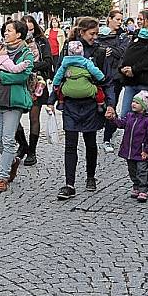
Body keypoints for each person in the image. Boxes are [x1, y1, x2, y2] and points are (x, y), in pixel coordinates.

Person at [47, 17, 116, 199]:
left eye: (96, 34)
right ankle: (69, 184)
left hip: (91, 104)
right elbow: (59, 76)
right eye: (92, 34)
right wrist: (51, 100)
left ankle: (90, 175)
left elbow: (107, 80)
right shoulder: (68, 51)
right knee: (70, 144)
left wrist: (111, 104)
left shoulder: (99, 53)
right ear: (82, 32)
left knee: (90, 142)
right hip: (70, 104)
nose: (95, 37)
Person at [0, 19, 34, 193]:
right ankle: (12, 160)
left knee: (7, 139)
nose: (5, 33)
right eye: (5, 30)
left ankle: (3, 177)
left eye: (9, 30)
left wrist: (1, 77)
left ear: (19, 34)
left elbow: (23, 76)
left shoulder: (26, 53)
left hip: (14, 100)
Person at [15, 15, 53, 167]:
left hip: (37, 82)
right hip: (19, 82)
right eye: (25, 27)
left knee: (34, 117)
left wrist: (30, 66)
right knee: (14, 117)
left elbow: (48, 62)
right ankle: (23, 144)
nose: (28, 29)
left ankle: (32, 151)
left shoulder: (42, 41)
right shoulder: (16, 43)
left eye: (30, 26)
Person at [111, 90, 148, 202]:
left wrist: (147, 150)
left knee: (141, 170)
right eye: (133, 101)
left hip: (141, 151)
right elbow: (121, 124)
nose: (133, 104)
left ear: (144, 106)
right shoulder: (130, 116)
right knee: (132, 170)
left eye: (137, 103)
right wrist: (113, 119)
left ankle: (143, 190)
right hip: (129, 151)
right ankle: (136, 185)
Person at [118, 10, 148, 116]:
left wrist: (134, 69)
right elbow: (126, 54)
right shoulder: (135, 36)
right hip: (131, 81)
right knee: (125, 115)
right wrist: (122, 67)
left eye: (141, 19)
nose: (138, 21)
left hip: (147, 81)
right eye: (137, 19)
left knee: (144, 118)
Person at [98, 9, 130, 152]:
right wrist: (104, 50)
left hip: (115, 77)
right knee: (100, 106)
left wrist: (107, 49)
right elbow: (96, 50)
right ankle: (111, 126)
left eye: (121, 20)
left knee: (111, 105)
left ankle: (107, 138)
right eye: (117, 19)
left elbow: (122, 52)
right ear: (109, 19)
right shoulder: (99, 34)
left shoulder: (123, 36)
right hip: (100, 75)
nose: (119, 22)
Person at [52, 40, 106, 108]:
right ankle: (100, 104)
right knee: (98, 90)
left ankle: (61, 102)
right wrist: (101, 77)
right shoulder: (86, 62)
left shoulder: (65, 63)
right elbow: (94, 70)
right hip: (87, 90)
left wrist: (56, 84)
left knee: (60, 90)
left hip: (68, 91)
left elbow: (58, 75)